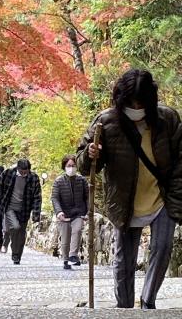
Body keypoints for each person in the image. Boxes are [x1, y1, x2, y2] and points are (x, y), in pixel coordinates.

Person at [77, 69, 182, 309]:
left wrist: (177, 193)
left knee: (162, 247)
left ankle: (148, 301)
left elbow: (180, 160)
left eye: (140, 103)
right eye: (130, 103)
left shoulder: (167, 120)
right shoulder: (106, 122)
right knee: (124, 261)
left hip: (161, 197)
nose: (135, 108)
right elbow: (83, 163)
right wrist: (90, 155)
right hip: (124, 202)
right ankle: (124, 307)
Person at [0, 158, 42, 265]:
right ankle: (13, 250)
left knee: (21, 234)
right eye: (22, 171)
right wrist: (1, 201)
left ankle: (17, 255)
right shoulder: (8, 174)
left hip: (24, 210)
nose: (24, 173)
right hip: (10, 208)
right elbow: (0, 187)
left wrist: (36, 214)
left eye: (26, 171)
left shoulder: (33, 178)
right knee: (15, 227)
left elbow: (37, 197)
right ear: (18, 168)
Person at [51, 154, 88, 270]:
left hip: (78, 213)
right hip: (64, 213)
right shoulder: (58, 181)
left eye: (73, 165)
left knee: (77, 231)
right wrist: (59, 212)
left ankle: (73, 255)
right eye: (69, 166)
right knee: (65, 238)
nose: (71, 168)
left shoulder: (82, 181)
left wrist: (88, 212)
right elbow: (55, 198)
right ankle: (66, 259)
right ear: (64, 167)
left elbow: (88, 197)